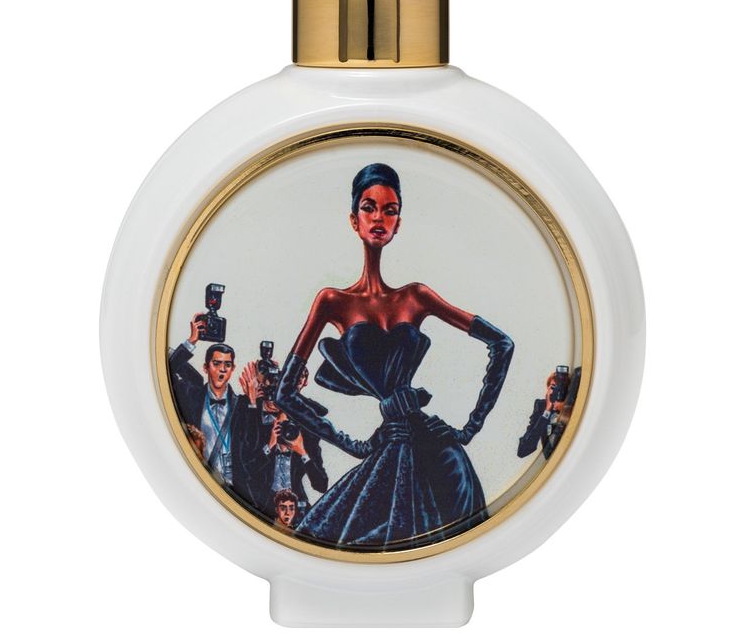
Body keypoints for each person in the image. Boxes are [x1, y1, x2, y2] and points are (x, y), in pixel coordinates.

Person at [276, 163, 515, 548]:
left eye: (389, 211)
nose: (379, 218)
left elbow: (502, 344)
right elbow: (284, 393)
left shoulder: (416, 296)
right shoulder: (332, 301)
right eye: (369, 208)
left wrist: (468, 430)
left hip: (439, 450)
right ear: (353, 220)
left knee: (454, 541)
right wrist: (357, 446)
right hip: (391, 447)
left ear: (398, 223)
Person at [167, 314, 270, 504]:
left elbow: (253, 447)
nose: (222, 369)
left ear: (232, 369)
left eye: (227, 365)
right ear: (205, 367)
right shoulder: (191, 395)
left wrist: (253, 402)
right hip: (196, 483)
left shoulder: (242, 404)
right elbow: (165, 372)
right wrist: (192, 340)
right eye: (216, 363)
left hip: (234, 490)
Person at [237, 357, 328, 523]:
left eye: (278, 396)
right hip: (263, 506)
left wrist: (302, 452)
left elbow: (321, 485)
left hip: (296, 509)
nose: (273, 402)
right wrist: (270, 444)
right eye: (270, 395)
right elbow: (247, 470)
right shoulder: (259, 427)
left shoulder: (303, 434)